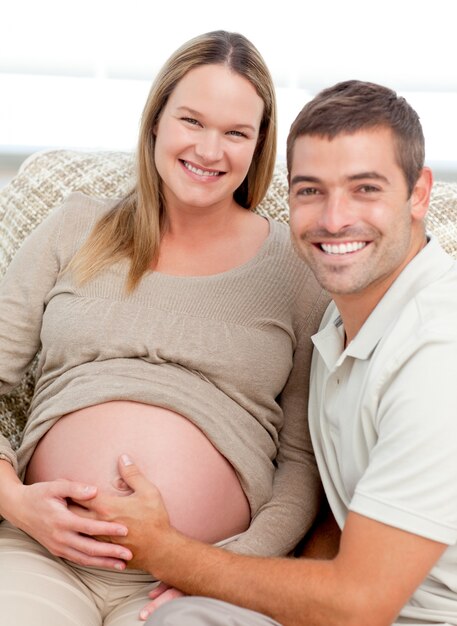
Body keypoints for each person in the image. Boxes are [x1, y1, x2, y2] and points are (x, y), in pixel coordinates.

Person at [84, 80, 457, 626]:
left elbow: (359, 604)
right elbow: (343, 507)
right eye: (310, 191)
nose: (333, 219)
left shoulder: (437, 351)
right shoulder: (344, 315)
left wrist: (167, 552)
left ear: (419, 193)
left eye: (364, 189)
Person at [0, 29, 328, 625]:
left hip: (198, 579)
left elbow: (302, 462)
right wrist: (16, 502)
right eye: (192, 121)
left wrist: (224, 569)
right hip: (43, 557)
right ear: (156, 122)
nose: (209, 149)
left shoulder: (297, 271)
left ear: (258, 147)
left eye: (235, 133)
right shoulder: (75, 224)